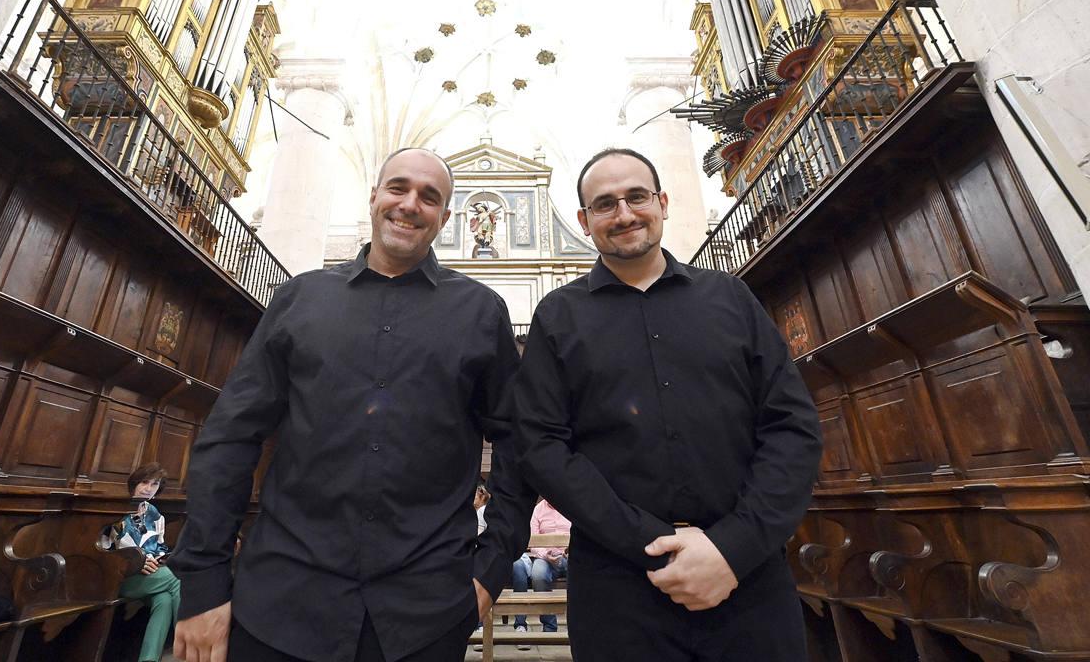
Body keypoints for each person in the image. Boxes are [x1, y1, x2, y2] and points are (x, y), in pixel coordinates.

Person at [169, 147, 534, 662]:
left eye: (429, 197)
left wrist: (491, 568)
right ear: (374, 197)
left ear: (447, 217)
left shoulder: (479, 311)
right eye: (398, 188)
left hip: (423, 612)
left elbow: (519, 441)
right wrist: (204, 582)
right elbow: (231, 437)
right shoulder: (301, 298)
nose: (410, 204)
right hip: (281, 601)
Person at [514, 148, 822, 662]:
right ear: (585, 221)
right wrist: (648, 540)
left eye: (637, 197)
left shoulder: (730, 298)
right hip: (619, 591)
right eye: (606, 204)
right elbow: (543, 446)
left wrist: (733, 547)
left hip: (747, 579)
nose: (626, 213)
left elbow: (792, 426)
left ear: (662, 201)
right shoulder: (558, 316)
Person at [100, 463, 182, 662]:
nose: (148, 488)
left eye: (154, 484)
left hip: (149, 577)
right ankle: (191, 646)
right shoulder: (114, 511)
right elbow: (105, 551)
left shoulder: (154, 514)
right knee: (177, 580)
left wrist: (155, 559)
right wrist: (137, 563)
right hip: (118, 578)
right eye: (144, 482)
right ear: (134, 483)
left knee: (164, 600)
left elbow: (161, 547)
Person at [510, 498, 570, 648]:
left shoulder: (570, 505)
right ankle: (549, 626)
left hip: (570, 555)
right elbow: (532, 540)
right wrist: (546, 554)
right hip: (546, 557)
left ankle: (577, 624)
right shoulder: (538, 510)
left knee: (583, 572)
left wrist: (571, 551)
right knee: (538, 573)